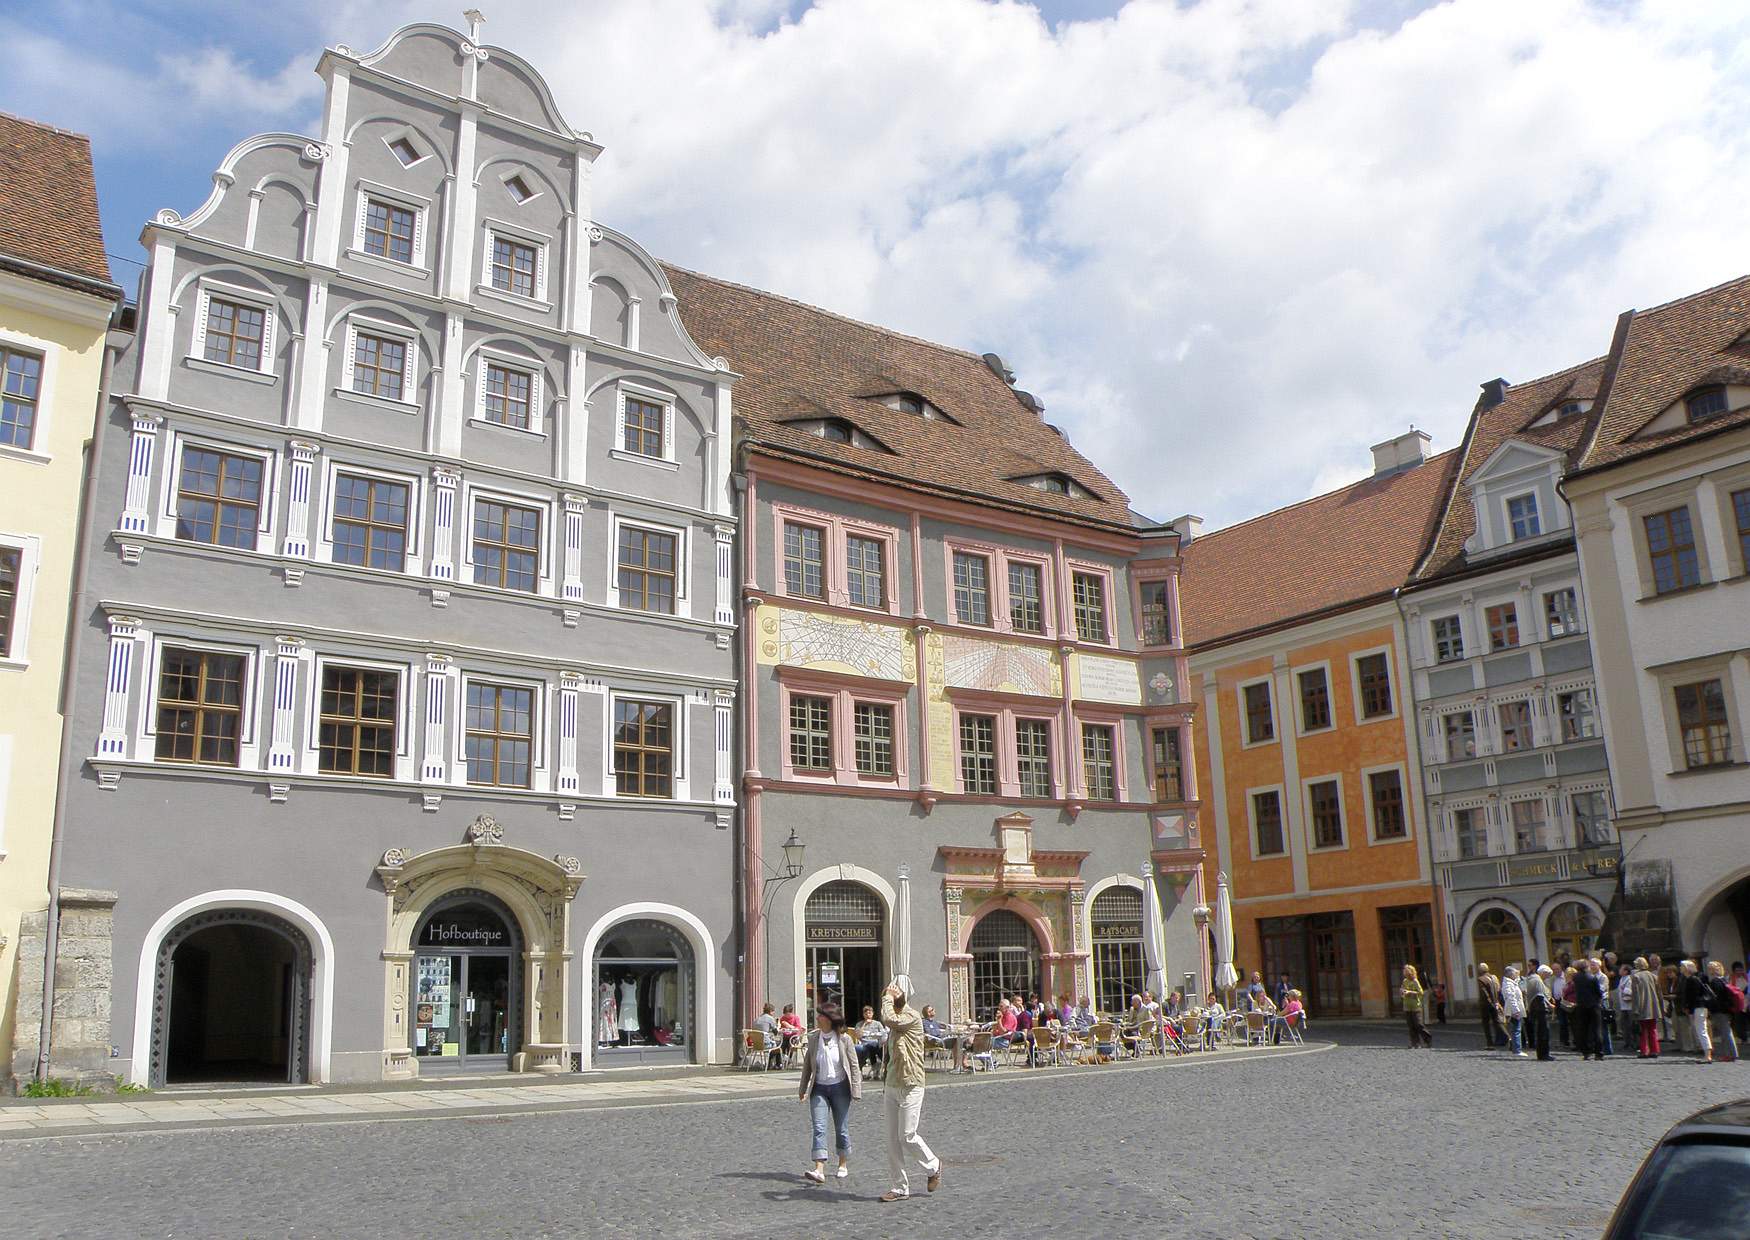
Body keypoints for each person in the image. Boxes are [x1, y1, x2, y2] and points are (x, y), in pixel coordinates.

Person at [879, 980, 942, 1203]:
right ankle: (899, 1187)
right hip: (892, 1083)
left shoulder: (911, 1017)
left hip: (912, 1083)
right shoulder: (895, 1021)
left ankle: (933, 1165)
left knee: (907, 1135)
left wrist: (888, 996)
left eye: (890, 998)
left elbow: (889, 1018)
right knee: (892, 1139)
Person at [798, 1001, 862, 1184]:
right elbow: (807, 1067)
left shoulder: (844, 1039)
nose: (817, 1018)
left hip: (840, 1088)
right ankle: (819, 1169)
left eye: (820, 1015)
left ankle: (842, 1163)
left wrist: (856, 1089)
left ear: (829, 1019)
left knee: (841, 1129)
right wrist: (802, 1089)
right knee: (819, 1128)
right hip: (819, 1088)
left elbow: (854, 1066)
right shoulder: (813, 1038)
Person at [1705, 960, 1740, 1063]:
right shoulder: (1724, 980)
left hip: (1719, 1010)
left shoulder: (1715, 982)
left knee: (1725, 1033)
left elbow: (1714, 998)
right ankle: (1728, 1054)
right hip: (1727, 1010)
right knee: (1726, 1032)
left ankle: (1731, 1054)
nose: (1709, 970)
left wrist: (1710, 1008)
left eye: (1710, 968)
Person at [1572, 958, 1606, 1060]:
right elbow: (1598, 992)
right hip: (1593, 1005)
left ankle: (1586, 1052)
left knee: (1583, 1029)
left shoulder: (1576, 977)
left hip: (1581, 1005)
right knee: (1596, 1029)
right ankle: (1598, 1053)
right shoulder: (1592, 978)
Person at [1630, 957, 1662, 1058]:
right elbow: (1659, 993)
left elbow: (1636, 996)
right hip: (1653, 1006)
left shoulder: (1636, 977)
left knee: (1643, 1030)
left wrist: (1635, 1009)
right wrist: (1661, 1006)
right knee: (1652, 1029)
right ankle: (1654, 1050)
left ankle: (1644, 1050)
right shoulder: (1653, 976)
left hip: (1642, 1006)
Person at [920, 1004, 966, 1074]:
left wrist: (946, 1028)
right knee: (957, 1041)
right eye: (932, 1010)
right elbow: (930, 1033)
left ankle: (960, 1065)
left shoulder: (934, 1022)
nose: (934, 1010)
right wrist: (940, 1033)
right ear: (928, 1013)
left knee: (960, 1040)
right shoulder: (924, 1022)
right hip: (935, 1041)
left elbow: (943, 1027)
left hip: (941, 1039)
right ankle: (957, 1066)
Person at [1399, 963, 1433, 1049]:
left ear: (1411, 972)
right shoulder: (1405, 981)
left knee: (1418, 1024)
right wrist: (1402, 991)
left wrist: (1410, 992)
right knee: (1411, 1026)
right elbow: (1402, 989)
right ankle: (1415, 1043)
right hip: (1407, 1005)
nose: (1405, 973)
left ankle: (1427, 1039)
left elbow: (1421, 992)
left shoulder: (1415, 981)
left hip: (1416, 1006)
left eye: (1407, 971)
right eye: (1405, 971)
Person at [1523, 965, 1553, 1060]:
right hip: (1540, 1011)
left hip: (1535, 1010)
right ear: (1543, 973)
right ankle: (1544, 1055)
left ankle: (1541, 1054)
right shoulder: (1537, 980)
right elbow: (1540, 996)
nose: (1547, 977)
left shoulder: (1532, 979)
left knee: (1540, 1033)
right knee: (1543, 1033)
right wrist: (1548, 1005)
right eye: (1547, 975)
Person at [1500, 965, 1527, 1057]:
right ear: (1510, 974)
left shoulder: (1512, 983)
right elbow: (1511, 998)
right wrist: (1516, 1010)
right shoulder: (1508, 984)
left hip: (1515, 1009)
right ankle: (1517, 1050)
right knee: (1516, 1029)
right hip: (1513, 1010)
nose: (1516, 975)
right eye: (1515, 973)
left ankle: (1516, 1048)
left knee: (1517, 1029)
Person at [1476, 963, 1504, 1050]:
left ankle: (1489, 1043)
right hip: (1495, 1002)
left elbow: (1484, 993)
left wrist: (1490, 1002)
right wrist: (1496, 1002)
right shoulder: (1493, 977)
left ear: (1480, 971)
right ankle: (1504, 1038)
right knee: (1497, 1022)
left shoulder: (1481, 979)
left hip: (1486, 1005)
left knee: (1486, 1024)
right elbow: (1498, 990)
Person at [855, 1005, 887, 1072]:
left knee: (881, 1048)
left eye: (869, 1013)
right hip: (864, 1044)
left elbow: (883, 1034)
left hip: (876, 1043)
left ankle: (882, 1066)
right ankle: (874, 1068)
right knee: (864, 1048)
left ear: (872, 1014)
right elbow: (858, 1036)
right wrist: (864, 1025)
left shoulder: (878, 1023)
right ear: (863, 1015)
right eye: (866, 1014)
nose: (868, 1015)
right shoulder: (859, 1024)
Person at [755, 1001, 783, 1068]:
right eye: (773, 1012)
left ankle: (770, 1064)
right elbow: (776, 1032)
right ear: (770, 1011)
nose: (773, 1013)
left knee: (773, 1043)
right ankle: (778, 1064)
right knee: (778, 1045)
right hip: (765, 1044)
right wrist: (778, 1026)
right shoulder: (770, 1018)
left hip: (756, 1044)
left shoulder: (757, 1018)